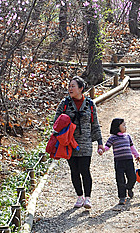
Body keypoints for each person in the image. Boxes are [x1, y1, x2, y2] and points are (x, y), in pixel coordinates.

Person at [53, 76, 104, 209]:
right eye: (69, 86)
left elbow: (95, 124)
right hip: (68, 142)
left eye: (73, 86)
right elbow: (55, 122)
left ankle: (88, 198)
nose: (70, 88)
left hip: (86, 142)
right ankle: (79, 196)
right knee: (74, 170)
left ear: (81, 88)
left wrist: (99, 142)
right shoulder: (64, 103)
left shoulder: (90, 104)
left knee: (85, 170)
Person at [101, 118, 140, 205]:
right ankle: (122, 197)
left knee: (133, 177)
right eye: (123, 125)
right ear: (117, 127)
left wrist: (136, 155)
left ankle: (129, 187)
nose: (125, 126)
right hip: (119, 162)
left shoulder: (127, 136)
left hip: (129, 160)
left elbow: (132, 147)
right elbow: (107, 147)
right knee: (120, 180)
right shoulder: (112, 138)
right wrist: (102, 150)